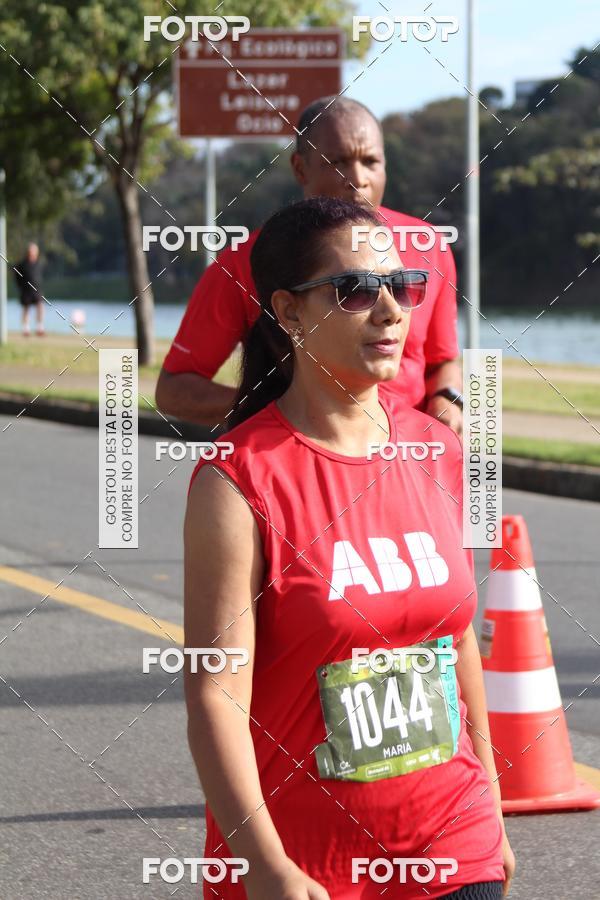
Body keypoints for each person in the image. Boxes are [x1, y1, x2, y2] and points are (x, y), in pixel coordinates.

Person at [184, 198, 514, 899]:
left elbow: (456, 649)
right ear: (290, 312)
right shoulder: (239, 480)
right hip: (304, 869)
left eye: (404, 285)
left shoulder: (437, 449)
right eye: (356, 289)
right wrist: (266, 869)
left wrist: (492, 811)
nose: (393, 309)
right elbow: (216, 695)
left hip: (453, 848)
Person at [157, 96, 463, 434]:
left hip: (408, 459)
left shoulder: (428, 245)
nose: (357, 178)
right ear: (300, 168)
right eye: (339, 162)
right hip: (300, 458)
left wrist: (447, 400)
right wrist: (277, 411)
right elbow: (174, 391)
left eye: (371, 161)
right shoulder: (243, 261)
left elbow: (441, 359)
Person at [14, 243, 45, 337]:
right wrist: (20, 286)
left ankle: (40, 328)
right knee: (26, 308)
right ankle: (26, 329)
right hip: (26, 290)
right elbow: (16, 276)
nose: (32, 252)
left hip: (36, 289)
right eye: (31, 250)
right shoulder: (22, 264)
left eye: (34, 251)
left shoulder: (38, 263)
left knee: (40, 306)